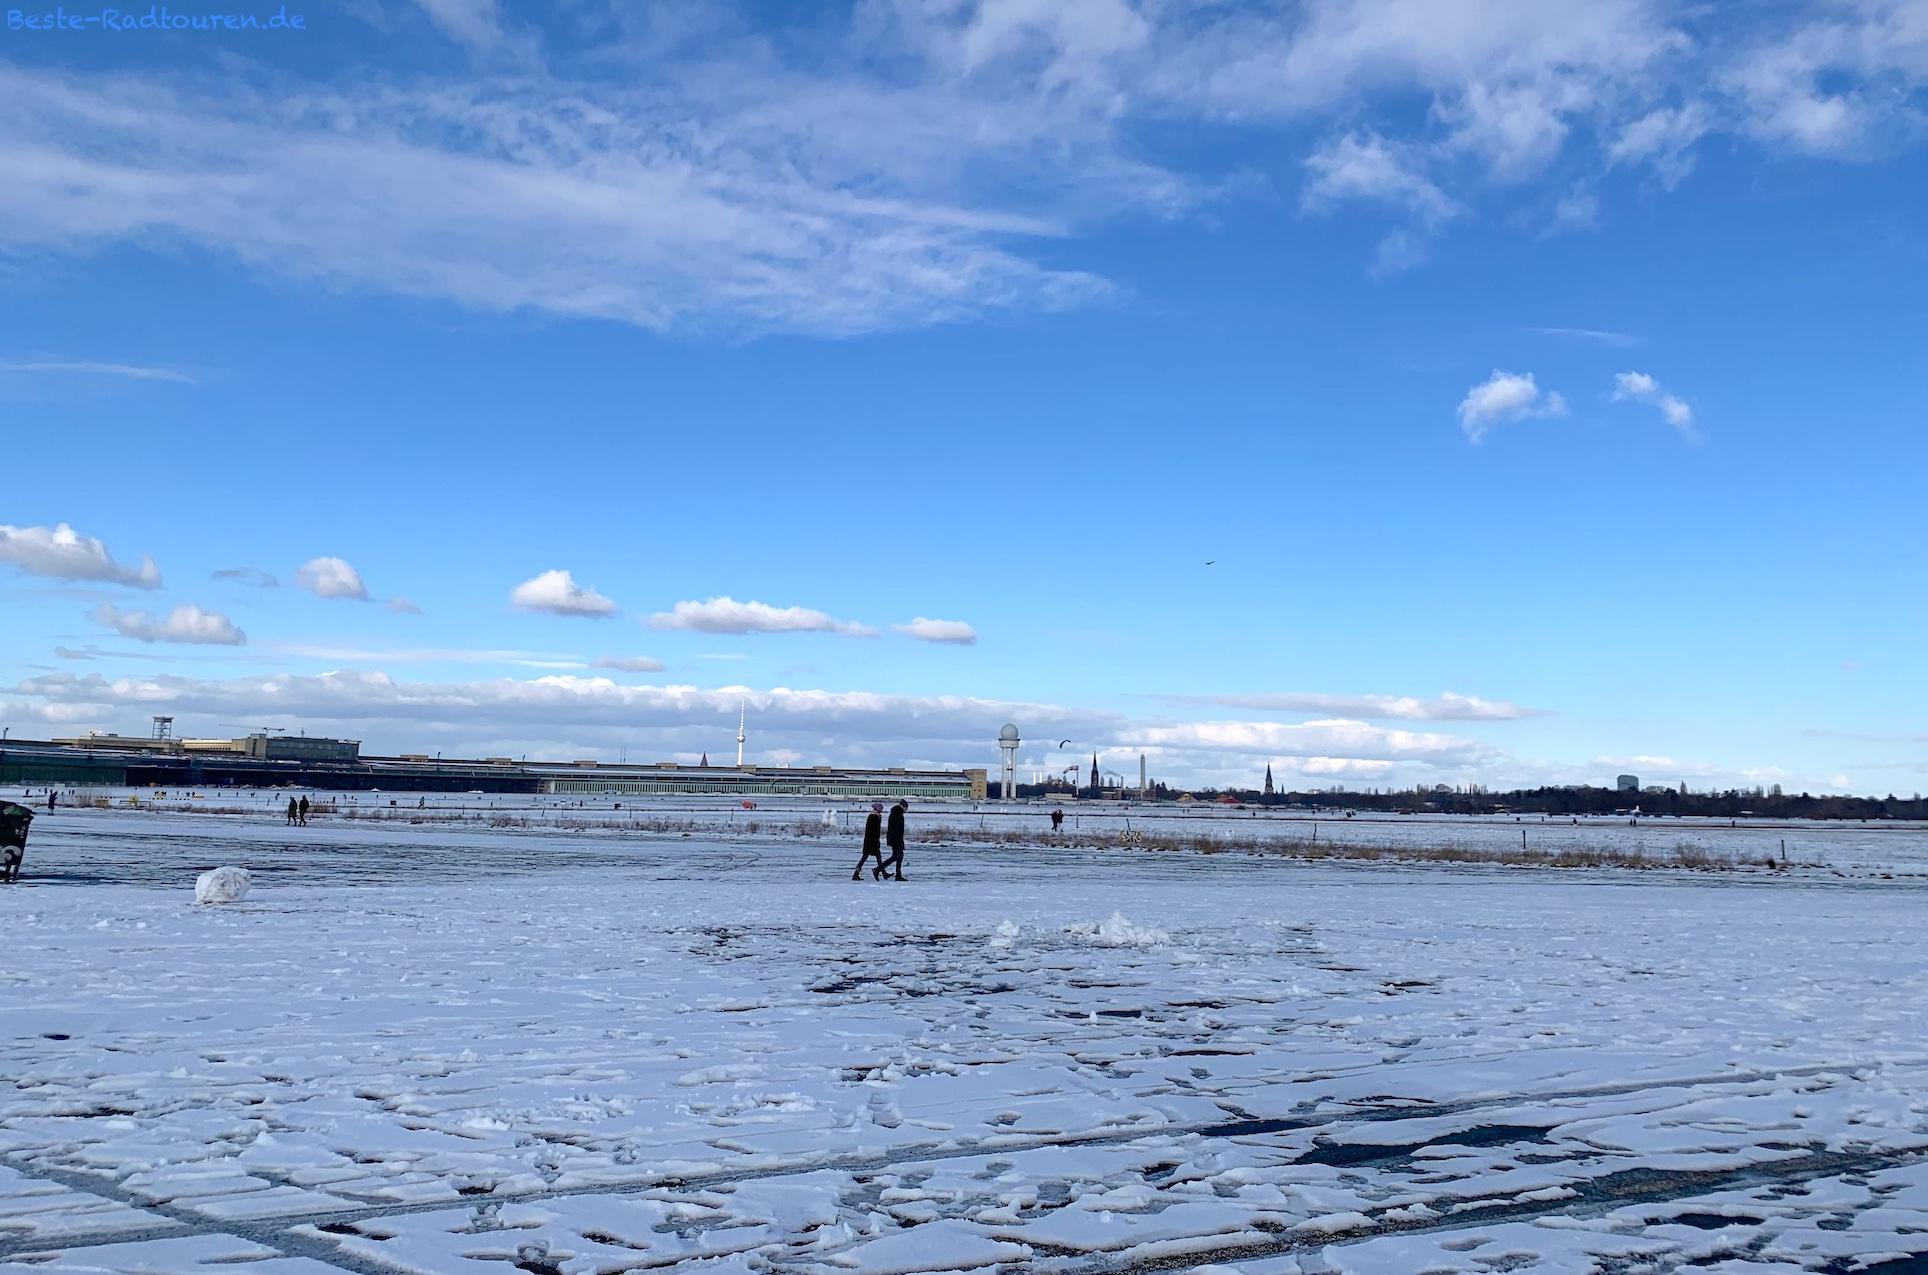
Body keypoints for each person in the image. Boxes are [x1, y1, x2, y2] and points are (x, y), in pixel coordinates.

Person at [851, 802, 887, 881]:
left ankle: (856, 874)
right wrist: (876, 842)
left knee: (867, 858)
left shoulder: (874, 817)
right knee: (874, 858)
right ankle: (883, 873)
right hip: (872, 842)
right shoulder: (874, 818)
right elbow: (874, 831)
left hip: (870, 842)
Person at [881, 799, 908, 881]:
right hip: (896, 839)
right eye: (906, 808)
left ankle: (898, 875)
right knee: (896, 857)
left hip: (896, 838)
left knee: (898, 856)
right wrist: (898, 840)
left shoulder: (896, 812)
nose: (906, 810)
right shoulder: (897, 813)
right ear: (902, 807)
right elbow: (896, 829)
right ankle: (878, 869)